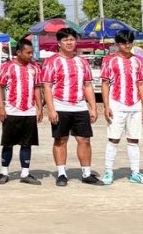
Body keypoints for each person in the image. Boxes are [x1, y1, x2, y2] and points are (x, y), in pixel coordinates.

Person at [41, 27, 100, 186]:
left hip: (80, 106)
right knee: (61, 140)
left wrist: (93, 107)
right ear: (59, 43)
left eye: (72, 39)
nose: (69, 42)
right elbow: (47, 87)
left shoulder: (82, 62)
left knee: (84, 140)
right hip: (60, 106)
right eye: (65, 40)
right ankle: (61, 173)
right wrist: (51, 109)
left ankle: (86, 173)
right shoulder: (51, 62)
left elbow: (88, 85)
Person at [100, 30, 143, 185]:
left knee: (134, 139)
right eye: (123, 43)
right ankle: (108, 171)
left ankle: (135, 172)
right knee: (113, 138)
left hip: (135, 104)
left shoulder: (138, 61)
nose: (127, 45)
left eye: (129, 42)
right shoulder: (109, 60)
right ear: (117, 44)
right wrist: (106, 106)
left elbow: (141, 83)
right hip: (116, 103)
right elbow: (105, 83)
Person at [0, 38, 43, 184]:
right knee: (8, 143)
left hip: (29, 111)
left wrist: (39, 108)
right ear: (18, 52)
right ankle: (4, 172)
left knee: (27, 143)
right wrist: (1, 107)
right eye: (28, 53)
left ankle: (25, 173)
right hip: (11, 111)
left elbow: (37, 88)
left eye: (32, 52)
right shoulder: (7, 67)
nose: (31, 55)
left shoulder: (35, 67)